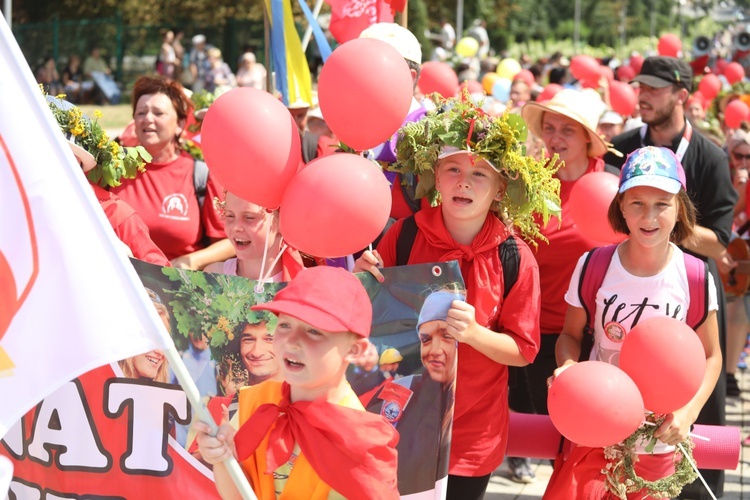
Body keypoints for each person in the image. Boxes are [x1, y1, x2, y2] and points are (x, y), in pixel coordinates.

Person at [354, 94, 559, 499]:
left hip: (471, 434)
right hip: (401, 420)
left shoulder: (516, 257)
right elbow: (376, 326)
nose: (464, 181)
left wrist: (475, 334)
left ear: (501, 189)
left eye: (480, 174)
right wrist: (365, 282)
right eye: (453, 169)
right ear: (435, 177)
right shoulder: (405, 234)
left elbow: (523, 351)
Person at [544, 146, 721, 499]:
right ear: (621, 206)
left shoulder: (695, 276)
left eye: (661, 204)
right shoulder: (593, 265)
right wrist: (566, 368)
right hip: (594, 432)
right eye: (637, 202)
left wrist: (687, 413)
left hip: (657, 446)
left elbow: (711, 356)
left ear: (679, 209)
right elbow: (569, 335)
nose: (648, 216)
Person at [604, 56, 737, 498]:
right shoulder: (619, 147)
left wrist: (664, 225)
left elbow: (720, 244)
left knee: (694, 410)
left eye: (656, 88)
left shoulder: (712, 156)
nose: (642, 94)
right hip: (624, 286)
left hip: (690, 290)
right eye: (640, 85)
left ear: (682, 95)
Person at [194, 266, 399, 499]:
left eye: (313, 331)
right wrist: (222, 457)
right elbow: (238, 494)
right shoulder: (255, 402)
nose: (292, 341)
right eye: (284, 325)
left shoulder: (361, 443)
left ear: (354, 349)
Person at [508, 88, 611, 484]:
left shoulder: (611, 188)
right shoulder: (530, 186)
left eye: (567, 129)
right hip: (545, 334)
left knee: (598, 438)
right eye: (549, 128)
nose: (555, 138)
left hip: (604, 334)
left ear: (588, 136)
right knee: (560, 440)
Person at [110, 76, 232, 270]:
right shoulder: (113, 169)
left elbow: (231, 240)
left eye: (158, 113)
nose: (148, 118)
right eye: (141, 112)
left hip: (179, 292)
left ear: (180, 124)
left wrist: (193, 261)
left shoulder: (201, 175)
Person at [46, 96, 169, 266]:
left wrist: (125, 264)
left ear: (80, 161)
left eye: (58, 151)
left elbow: (161, 281)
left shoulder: (116, 214)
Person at [365, 290, 460, 495]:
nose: (434, 349)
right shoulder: (401, 390)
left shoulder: (471, 400)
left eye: (446, 336)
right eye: (426, 339)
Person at [359, 22, 429, 221]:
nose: (358, 74)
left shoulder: (432, 134)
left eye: (372, 66)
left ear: (409, 76)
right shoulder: (350, 125)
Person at [202, 190, 304, 282]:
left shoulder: (304, 284)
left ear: (282, 221)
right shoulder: (215, 276)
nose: (236, 227)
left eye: (249, 217)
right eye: (230, 215)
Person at [119, 288, 171, 383]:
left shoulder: (167, 396)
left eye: (164, 341)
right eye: (151, 337)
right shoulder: (96, 387)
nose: (161, 352)